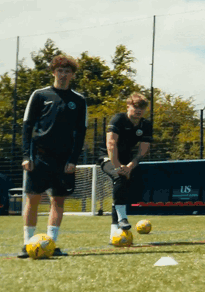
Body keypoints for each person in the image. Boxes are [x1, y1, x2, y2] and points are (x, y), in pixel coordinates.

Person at [19, 55, 88, 258]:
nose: (64, 74)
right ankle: (27, 243)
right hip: (39, 156)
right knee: (32, 199)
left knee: (58, 201)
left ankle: (51, 244)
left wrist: (73, 160)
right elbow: (27, 126)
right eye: (60, 70)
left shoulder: (79, 100)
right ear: (53, 72)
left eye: (68, 71)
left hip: (64, 160)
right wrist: (26, 155)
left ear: (73, 75)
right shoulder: (39, 95)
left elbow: (81, 133)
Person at [101, 93, 152, 237]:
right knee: (119, 177)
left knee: (121, 191)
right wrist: (118, 167)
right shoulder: (118, 119)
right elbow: (111, 144)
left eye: (142, 107)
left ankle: (114, 234)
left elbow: (143, 150)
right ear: (128, 106)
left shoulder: (146, 125)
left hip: (127, 160)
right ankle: (123, 218)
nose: (138, 110)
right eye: (135, 106)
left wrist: (130, 166)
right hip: (108, 157)